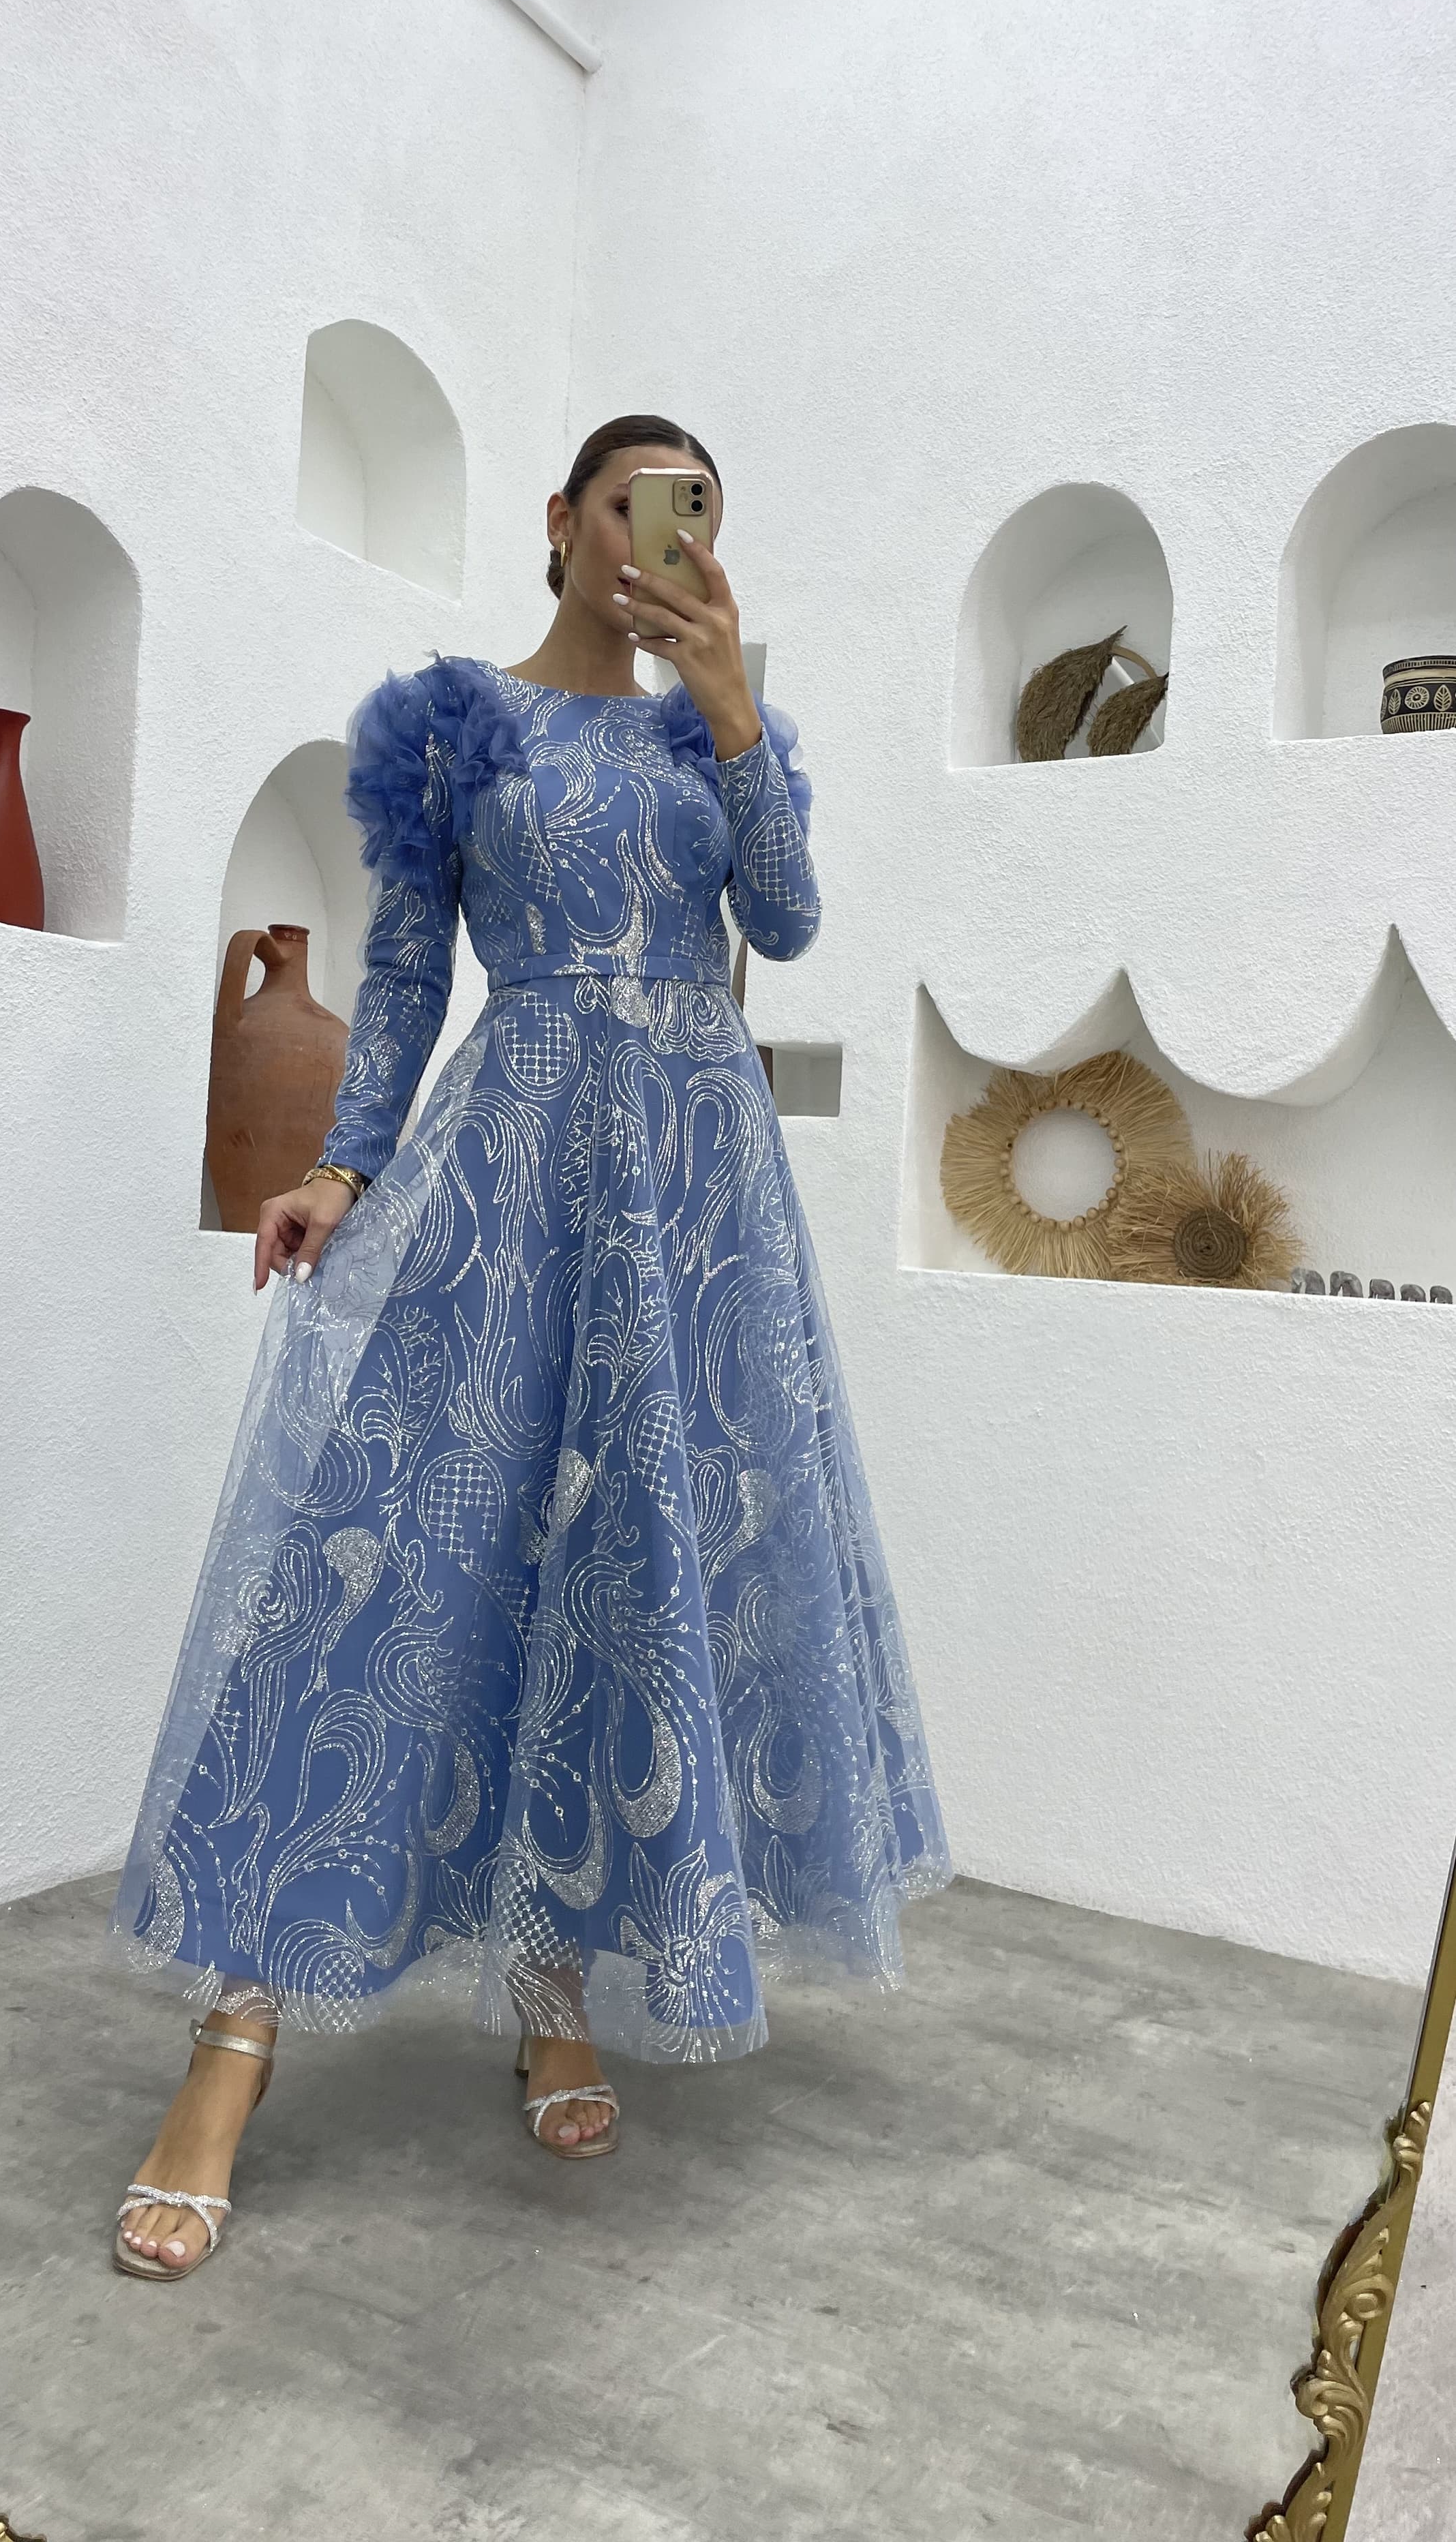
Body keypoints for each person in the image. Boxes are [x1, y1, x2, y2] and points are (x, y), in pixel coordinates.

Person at [110, 414, 950, 2278]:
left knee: (620, 1577)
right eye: (636, 503)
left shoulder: (713, 730)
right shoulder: (454, 724)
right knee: (390, 1570)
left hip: (698, 1191)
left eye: (695, 512)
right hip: (514, 1154)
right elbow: (413, 970)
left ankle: (550, 1986)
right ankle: (232, 2046)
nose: (662, 536)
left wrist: (730, 709)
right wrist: (343, 1164)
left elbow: (787, 921)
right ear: (564, 520)